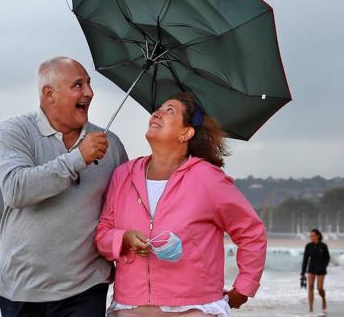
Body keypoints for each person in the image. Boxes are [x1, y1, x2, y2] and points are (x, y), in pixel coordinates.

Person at [96, 92, 267, 317]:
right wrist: (123, 238)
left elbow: (251, 233)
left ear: (186, 133)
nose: (156, 113)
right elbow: (102, 235)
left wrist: (244, 288)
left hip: (194, 308)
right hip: (130, 307)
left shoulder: (208, 178)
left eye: (170, 111)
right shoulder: (123, 175)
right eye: (158, 109)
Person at [0, 56, 128, 317]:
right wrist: (79, 159)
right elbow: (16, 190)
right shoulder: (14, 131)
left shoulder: (111, 144)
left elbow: (127, 207)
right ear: (49, 93)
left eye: (89, 84)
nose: (89, 92)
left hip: (86, 287)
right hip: (22, 289)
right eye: (78, 85)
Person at [301, 228, 330, 313]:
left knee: (320, 288)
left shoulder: (323, 246)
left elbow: (327, 258)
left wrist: (324, 266)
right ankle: (310, 308)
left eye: (313, 235)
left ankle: (323, 299)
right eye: (310, 236)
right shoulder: (308, 246)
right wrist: (303, 272)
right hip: (311, 269)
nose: (311, 237)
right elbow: (305, 259)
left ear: (318, 236)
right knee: (310, 286)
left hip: (321, 269)